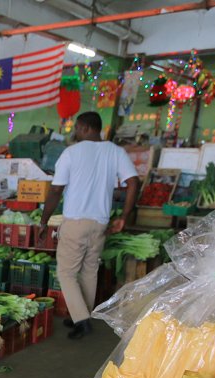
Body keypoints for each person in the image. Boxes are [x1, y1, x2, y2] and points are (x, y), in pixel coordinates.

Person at [36, 112, 140, 340]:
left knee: (66, 272)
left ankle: (81, 320)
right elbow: (134, 182)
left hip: (75, 222)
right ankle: (81, 316)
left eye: (76, 127)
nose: (74, 131)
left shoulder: (71, 153)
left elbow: (55, 190)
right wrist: (124, 216)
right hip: (100, 222)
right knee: (89, 270)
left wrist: (44, 220)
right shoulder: (115, 151)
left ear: (84, 128)